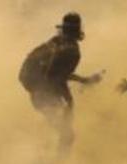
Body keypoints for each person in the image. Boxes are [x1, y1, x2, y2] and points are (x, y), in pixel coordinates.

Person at [19, 12, 103, 151]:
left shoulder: (56, 41)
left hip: (36, 91)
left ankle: (42, 159)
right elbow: (54, 75)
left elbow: (54, 72)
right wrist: (69, 97)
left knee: (56, 133)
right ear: (78, 30)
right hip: (44, 94)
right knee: (66, 136)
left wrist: (83, 80)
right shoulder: (71, 51)